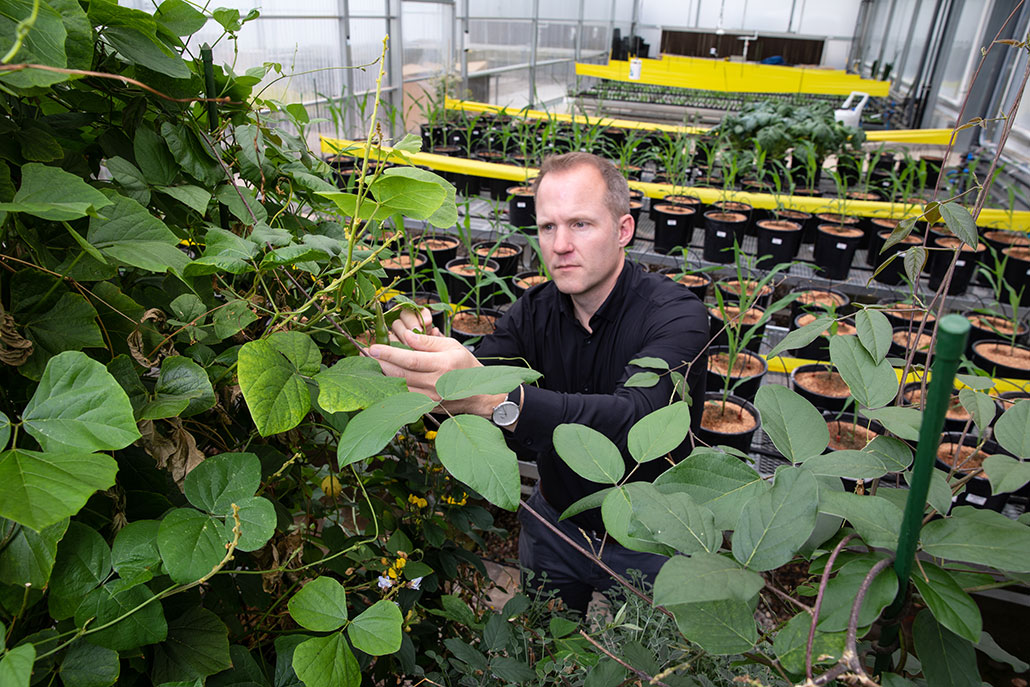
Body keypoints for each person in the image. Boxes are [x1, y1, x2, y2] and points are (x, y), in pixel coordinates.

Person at [370, 152, 709, 614]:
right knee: (546, 649)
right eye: (548, 227)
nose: (560, 245)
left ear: (624, 229)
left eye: (581, 225)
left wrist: (495, 398)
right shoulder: (533, 310)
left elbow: (639, 419)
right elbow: (476, 378)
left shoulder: (677, 315)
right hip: (554, 525)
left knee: (657, 660)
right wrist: (420, 351)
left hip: (651, 539)